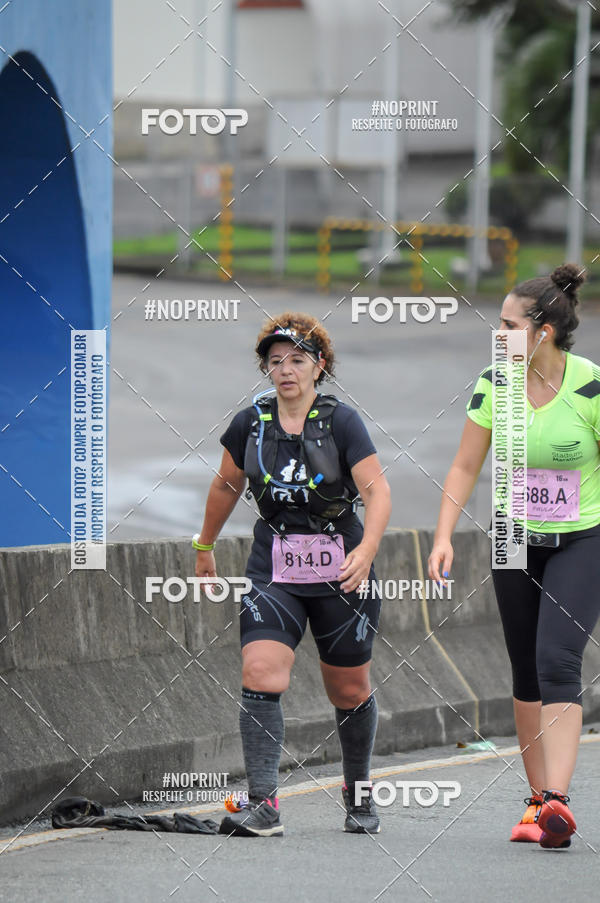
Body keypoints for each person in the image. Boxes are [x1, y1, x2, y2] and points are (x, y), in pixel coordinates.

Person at [193, 312, 391, 836]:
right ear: (265, 368)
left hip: (342, 568)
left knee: (349, 689)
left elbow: (377, 492)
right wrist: (205, 545)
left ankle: (359, 793)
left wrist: (368, 549)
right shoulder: (250, 423)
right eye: (275, 360)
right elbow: (225, 486)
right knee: (260, 672)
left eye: (297, 360)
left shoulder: (342, 422)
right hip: (274, 565)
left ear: (318, 366)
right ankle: (264, 805)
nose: (285, 369)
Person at [428, 263, 600, 849]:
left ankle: (558, 799)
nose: (497, 333)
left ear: (543, 330)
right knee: (525, 669)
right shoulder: (494, 383)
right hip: (512, 536)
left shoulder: (590, 386)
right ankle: (536, 804)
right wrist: (444, 535)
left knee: (558, 660)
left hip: (582, 537)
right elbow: (464, 466)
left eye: (507, 325)